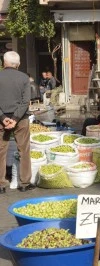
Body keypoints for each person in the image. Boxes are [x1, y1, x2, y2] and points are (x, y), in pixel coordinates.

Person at [0, 51, 36, 194]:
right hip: (21, 119)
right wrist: (15, 119)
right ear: (19, 64)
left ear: (4, 63)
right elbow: (25, 101)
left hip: (1, 119)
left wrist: (3, 118)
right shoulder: (24, 78)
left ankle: (1, 184)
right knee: (24, 150)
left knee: (1, 151)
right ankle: (25, 183)